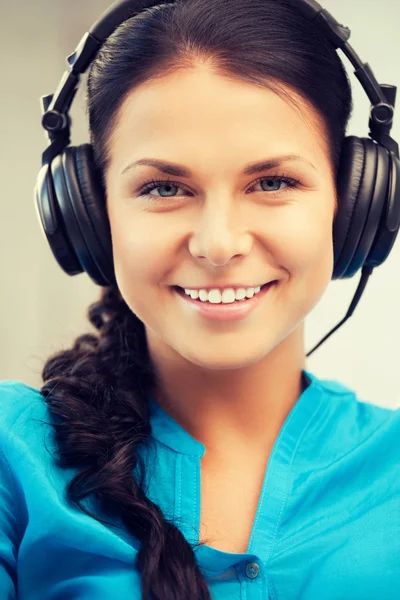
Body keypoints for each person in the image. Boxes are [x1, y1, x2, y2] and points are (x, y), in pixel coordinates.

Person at [1, 0, 400, 598]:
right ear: (88, 212)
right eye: (164, 187)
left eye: (273, 182)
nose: (218, 244)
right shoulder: (13, 455)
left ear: (357, 202)